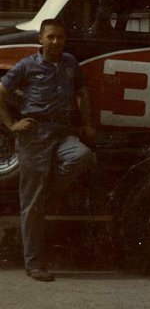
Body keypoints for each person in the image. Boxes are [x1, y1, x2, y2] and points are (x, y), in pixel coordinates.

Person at [0, 19, 96, 282]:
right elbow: (0, 91)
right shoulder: (27, 65)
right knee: (32, 206)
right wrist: (12, 124)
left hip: (62, 134)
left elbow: (82, 91)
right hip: (33, 137)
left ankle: (43, 192)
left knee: (83, 156)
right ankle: (34, 264)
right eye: (51, 37)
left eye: (60, 38)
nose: (56, 42)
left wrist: (87, 123)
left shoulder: (70, 63)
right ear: (41, 39)